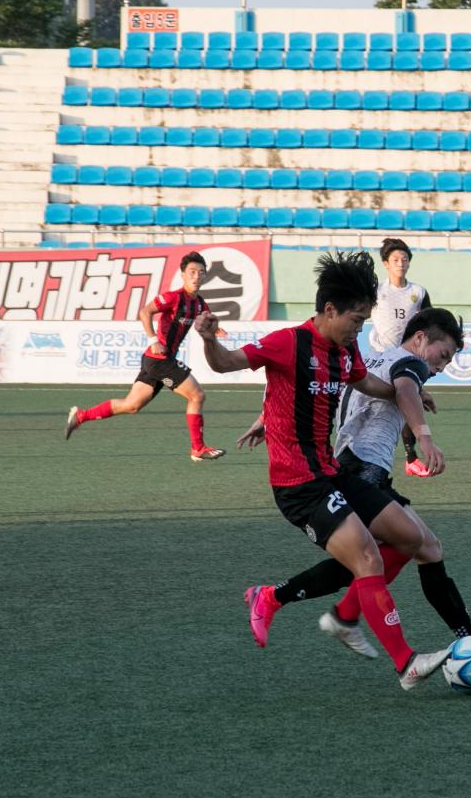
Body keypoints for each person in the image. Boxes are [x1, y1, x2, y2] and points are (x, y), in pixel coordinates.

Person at [193, 250, 452, 691]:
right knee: (367, 556)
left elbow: (368, 384)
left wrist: (407, 396)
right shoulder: (286, 342)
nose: (360, 328)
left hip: (331, 472)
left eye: (365, 320)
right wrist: (207, 339)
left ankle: (281, 599)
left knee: (409, 537)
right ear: (329, 310)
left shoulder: (343, 350)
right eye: (355, 319)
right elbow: (224, 363)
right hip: (298, 484)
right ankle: (405, 662)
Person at [237, 308, 471, 660]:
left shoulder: (375, 357)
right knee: (384, 552)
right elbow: (402, 390)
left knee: (423, 547)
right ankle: (294, 602)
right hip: (361, 468)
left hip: (354, 464)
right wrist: (425, 436)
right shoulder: (411, 365)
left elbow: (327, 385)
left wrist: (266, 417)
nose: (443, 366)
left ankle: (466, 632)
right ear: (420, 339)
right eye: (443, 354)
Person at [65, 251, 226, 461]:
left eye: (201, 272)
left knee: (132, 405)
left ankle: (81, 416)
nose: (196, 276)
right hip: (159, 360)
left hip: (156, 361)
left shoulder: (200, 304)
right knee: (197, 396)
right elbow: (144, 312)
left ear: (205, 277)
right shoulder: (172, 297)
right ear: (183, 275)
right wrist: (153, 339)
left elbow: (208, 319)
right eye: (192, 272)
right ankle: (198, 448)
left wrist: (215, 330)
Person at [368, 237, 434, 479]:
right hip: (379, 358)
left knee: (409, 405)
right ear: (386, 263)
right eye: (395, 259)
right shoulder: (376, 291)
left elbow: (429, 321)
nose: (401, 263)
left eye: (404, 259)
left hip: (407, 360)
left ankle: (410, 458)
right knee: (375, 407)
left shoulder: (418, 292)